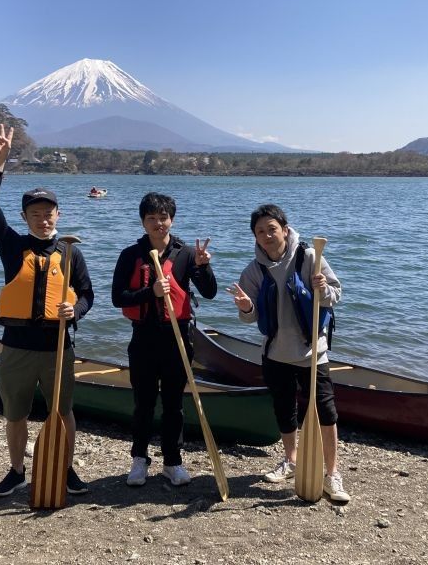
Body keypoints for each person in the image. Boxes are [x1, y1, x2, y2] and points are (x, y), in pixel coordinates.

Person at [0, 124, 94, 497]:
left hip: (58, 347)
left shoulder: (70, 252)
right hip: (16, 347)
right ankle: (16, 471)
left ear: (58, 215)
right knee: (15, 414)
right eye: (35, 213)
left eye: (49, 212)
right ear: (25, 216)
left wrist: (73, 311)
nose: (43, 218)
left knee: (62, 412)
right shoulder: (12, 247)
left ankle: (63, 467)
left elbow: (89, 296)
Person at [226, 204, 350, 502]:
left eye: (272, 228)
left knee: (326, 412)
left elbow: (336, 294)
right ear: (254, 237)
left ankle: (332, 474)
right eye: (260, 231)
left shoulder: (310, 257)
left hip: (312, 353)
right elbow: (250, 316)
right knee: (285, 411)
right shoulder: (254, 270)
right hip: (276, 355)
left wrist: (323, 289)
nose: (267, 235)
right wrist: (245, 307)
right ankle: (292, 461)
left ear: (284, 228)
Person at [111, 192, 217, 487]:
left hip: (178, 337)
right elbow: (117, 297)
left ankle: (173, 461)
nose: (159, 223)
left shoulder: (185, 254)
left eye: (163, 217)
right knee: (143, 402)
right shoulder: (130, 255)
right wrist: (151, 293)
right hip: (143, 337)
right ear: (143, 221)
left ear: (172, 219)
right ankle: (139, 459)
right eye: (152, 218)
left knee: (173, 404)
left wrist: (204, 266)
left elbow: (209, 292)